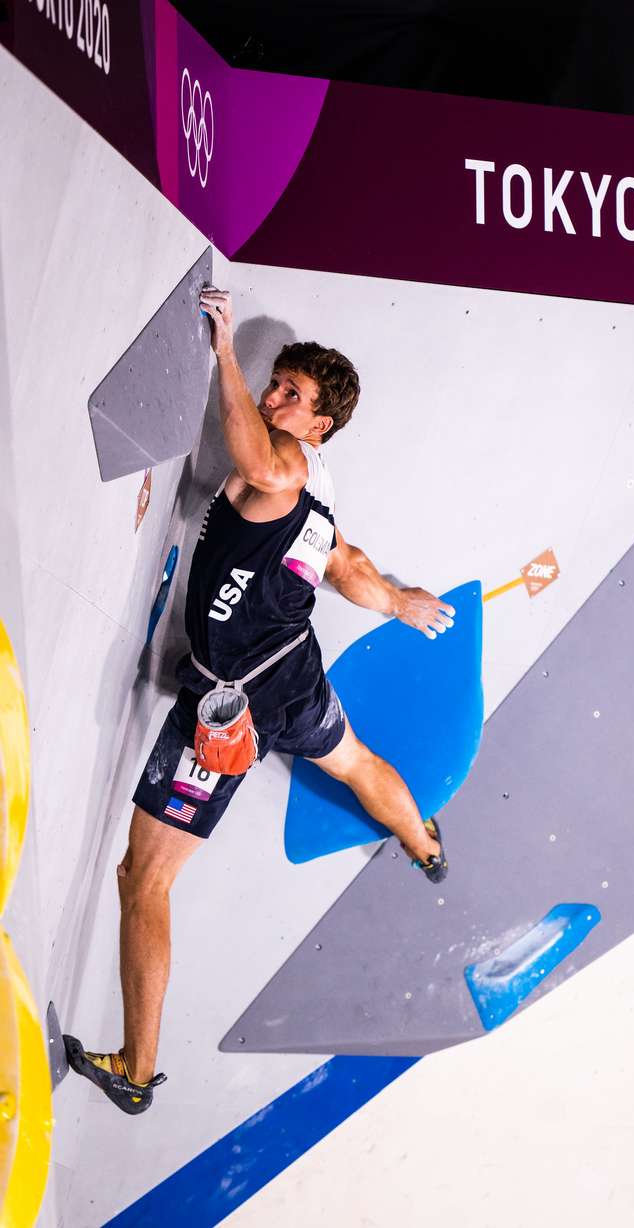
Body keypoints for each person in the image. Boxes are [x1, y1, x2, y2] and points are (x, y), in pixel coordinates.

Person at [64, 287, 456, 1115]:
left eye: (293, 396)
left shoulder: (286, 465)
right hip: (294, 674)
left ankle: (136, 1072)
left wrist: (221, 352)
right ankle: (424, 842)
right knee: (350, 761)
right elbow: (349, 568)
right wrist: (399, 599)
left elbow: (255, 463)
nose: (275, 399)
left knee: (145, 878)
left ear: (320, 426)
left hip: (229, 706)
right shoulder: (323, 497)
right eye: (273, 383)